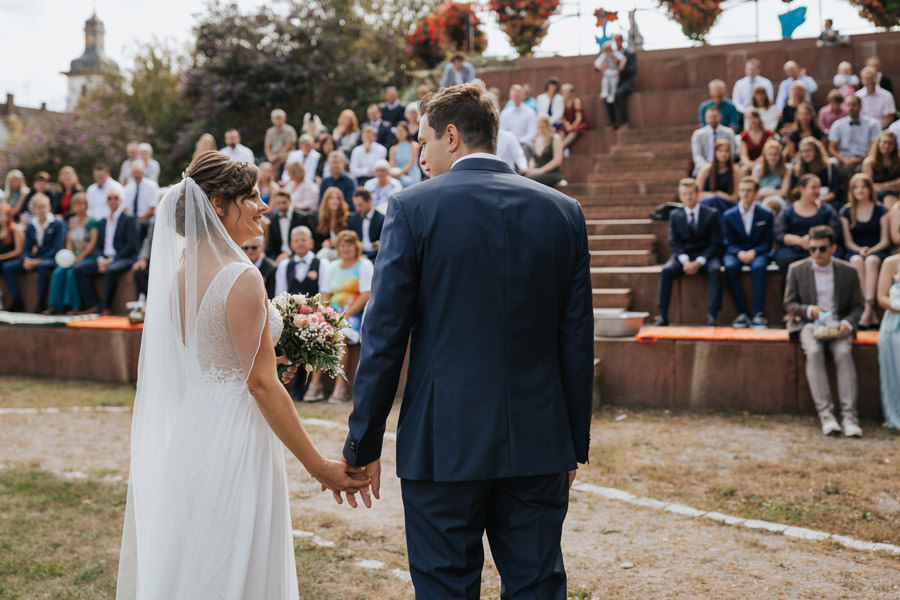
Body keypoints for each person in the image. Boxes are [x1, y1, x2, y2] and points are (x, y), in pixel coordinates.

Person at [341, 82, 592, 598]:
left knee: (446, 588)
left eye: (424, 140)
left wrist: (362, 443)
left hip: (443, 441)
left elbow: (384, 335)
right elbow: (576, 338)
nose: (421, 154)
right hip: (540, 438)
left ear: (451, 136)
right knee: (537, 585)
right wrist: (573, 444)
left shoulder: (411, 209)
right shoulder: (564, 212)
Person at [115, 151, 368, 599]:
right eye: (251, 196)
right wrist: (319, 467)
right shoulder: (241, 276)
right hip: (237, 433)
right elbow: (259, 384)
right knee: (237, 558)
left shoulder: (177, 276)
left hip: (196, 428)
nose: (264, 205)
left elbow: (213, 358)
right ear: (216, 204)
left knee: (198, 553)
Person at [784, 225, 863, 437]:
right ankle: (826, 416)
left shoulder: (848, 271)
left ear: (833, 248)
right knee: (815, 353)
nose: (817, 253)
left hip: (839, 327)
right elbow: (789, 303)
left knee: (844, 354)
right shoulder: (797, 269)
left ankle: (850, 416)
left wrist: (847, 323)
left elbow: (858, 305)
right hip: (809, 325)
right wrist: (811, 310)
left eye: (822, 249)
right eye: (812, 249)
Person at [654, 178, 723, 326]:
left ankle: (712, 314)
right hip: (683, 255)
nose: (688, 197)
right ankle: (662, 315)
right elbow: (674, 241)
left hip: (705, 255)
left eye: (691, 193)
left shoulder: (711, 214)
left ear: (697, 193)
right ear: (680, 196)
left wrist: (699, 261)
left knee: (716, 270)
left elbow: (715, 242)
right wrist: (685, 260)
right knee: (666, 271)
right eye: (685, 194)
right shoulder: (675, 215)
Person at [318, 229, 372, 404]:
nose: (346, 248)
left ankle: (340, 387)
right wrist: (328, 314)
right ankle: (315, 384)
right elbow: (325, 293)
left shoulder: (364, 265)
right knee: (318, 335)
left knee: (340, 338)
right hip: (332, 313)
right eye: (343, 245)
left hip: (353, 314)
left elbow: (365, 294)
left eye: (349, 245)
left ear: (355, 246)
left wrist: (345, 315)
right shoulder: (332, 266)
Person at [74, 187, 139, 316]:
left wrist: (111, 260)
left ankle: (106, 307)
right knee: (79, 269)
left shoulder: (129, 219)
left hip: (123, 258)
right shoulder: (103, 221)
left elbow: (131, 245)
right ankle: (95, 304)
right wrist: (100, 260)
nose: (112, 201)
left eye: (115, 198)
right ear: (106, 202)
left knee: (111, 269)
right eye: (109, 198)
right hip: (104, 258)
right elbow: (99, 246)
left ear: (121, 200)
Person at [723, 177, 774, 329]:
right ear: (738, 192)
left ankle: (758, 314)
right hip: (735, 252)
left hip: (758, 252)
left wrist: (754, 252)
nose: (745, 194)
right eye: (743, 190)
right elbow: (727, 241)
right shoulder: (728, 215)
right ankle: (742, 312)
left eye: (749, 190)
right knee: (730, 267)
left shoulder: (766, 214)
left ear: (756, 193)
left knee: (758, 268)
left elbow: (768, 241)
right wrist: (738, 252)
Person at [840, 174, 889, 329]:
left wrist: (870, 250)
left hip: (877, 249)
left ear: (869, 189)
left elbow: (885, 240)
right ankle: (866, 308)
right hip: (856, 250)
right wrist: (860, 250)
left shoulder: (881, 209)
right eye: (856, 187)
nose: (860, 190)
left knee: (871, 261)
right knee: (856, 261)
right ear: (852, 190)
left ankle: (868, 307)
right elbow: (848, 241)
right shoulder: (846, 211)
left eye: (863, 187)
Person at [2, 194, 65, 312]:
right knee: (7, 267)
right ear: (34, 209)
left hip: (50, 259)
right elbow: (26, 248)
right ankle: (17, 300)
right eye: (39, 207)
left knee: (43, 266)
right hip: (33, 259)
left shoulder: (58, 224)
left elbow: (57, 248)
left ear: (49, 207)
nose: (42, 210)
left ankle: (41, 302)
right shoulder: (31, 225)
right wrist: (26, 259)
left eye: (44, 206)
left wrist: (37, 261)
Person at [774, 174, 842, 279]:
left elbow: (835, 231)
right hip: (794, 248)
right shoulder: (788, 211)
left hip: (820, 246)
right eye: (814, 187)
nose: (817, 191)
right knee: (785, 260)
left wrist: (813, 241)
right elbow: (778, 234)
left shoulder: (827, 210)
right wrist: (799, 241)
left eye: (819, 187)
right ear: (802, 189)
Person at [45, 192, 98, 315]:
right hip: (73, 257)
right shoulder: (72, 222)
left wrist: (80, 257)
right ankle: (54, 305)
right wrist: (70, 256)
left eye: (81, 204)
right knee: (58, 272)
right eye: (76, 204)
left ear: (86, 205)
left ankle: (75, 306)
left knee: (71, 273)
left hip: (88, 257)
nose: (79, 207)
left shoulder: (92, 221)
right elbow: (69, 241)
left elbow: (92, 243)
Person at [829, 95, 881, 181]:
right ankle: (835, 192)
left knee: (870, 163)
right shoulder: (838, 125)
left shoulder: (872, 124)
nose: (851, 108)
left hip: (864, 159)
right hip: (844, 160)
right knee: (831, 162)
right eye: (848, 105)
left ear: (860, 106)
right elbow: (831, 148)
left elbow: (874, 146)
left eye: (854, 105)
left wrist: (860, 160)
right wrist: (844, 159)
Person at [876, 253, 900, 430]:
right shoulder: (891, 263)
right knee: (893, 375)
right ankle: (895, 418)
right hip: (894, 327)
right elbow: (882, 297)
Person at [791, 137, 843, 210]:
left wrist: (819, 200)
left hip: (826, 202)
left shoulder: (830, 167)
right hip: (804, 204)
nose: (805, 154)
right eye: (802, 151)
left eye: (808, 151)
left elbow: (836, 190)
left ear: (816, 151)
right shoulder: (797, 169)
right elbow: (793, 191)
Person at [273, 225, 321, 298]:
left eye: (303, 240)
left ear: (311, 243)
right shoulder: (284, 265)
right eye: (296, 241)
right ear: (291, 244)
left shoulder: (322, 264)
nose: (300, 243)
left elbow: (324, 293)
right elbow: (280, 293)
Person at [697, 138, 741, 215]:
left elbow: (736, 198)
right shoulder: (706, 169)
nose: (723, 154)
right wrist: (715, 195)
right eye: (720, 151)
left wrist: (720, 195)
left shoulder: (735, 171)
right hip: (708, 202)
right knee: (713, 201)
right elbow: (697, 194)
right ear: (715, 152)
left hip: (727, 204)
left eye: (726, 151)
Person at [602, 32, 637, 130]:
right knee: (606, 96)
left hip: (625, 82)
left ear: (622, 41)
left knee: (618, 93)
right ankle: (612, 122)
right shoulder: (610, 54)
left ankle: (624, 122)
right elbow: (599, 64)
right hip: (612, 81)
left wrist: (621, 66)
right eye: (615, 41)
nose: (617, 43)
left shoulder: (629, 54)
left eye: (619, 40)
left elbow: (633, 70)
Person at [690, 105, 737, 176]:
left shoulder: (728, 133)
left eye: (715, 117)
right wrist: (707, 167)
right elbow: (697, 156)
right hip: (703, 167)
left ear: (720, 117)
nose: (713, 120)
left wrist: (722, 166)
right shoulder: (698, 134)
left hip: (724, 167)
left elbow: (732, 152)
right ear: (705, 119)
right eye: (710, 117)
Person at [265, 189, 309, 264]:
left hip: (298, 254)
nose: (281, 206)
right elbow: (270, 246)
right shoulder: (273, 220)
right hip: (278, 256)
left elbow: (306, 241)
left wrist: (289, 254)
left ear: (290, 201)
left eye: (284, 202)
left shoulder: (302, 218)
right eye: (278, 203)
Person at [523, 114, 565, 189]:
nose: (540, 128)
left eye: (542, 126)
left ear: (547, 125)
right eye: (539, 126)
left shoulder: (555, 138)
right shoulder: (536, 139)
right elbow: (533, 159)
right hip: (538, 172)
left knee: (529, 180)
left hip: (552, 173)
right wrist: (530, 169)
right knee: (520, 175)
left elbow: (558, 160)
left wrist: (540, 171)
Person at [122, 160, 159, 243]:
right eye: (135, 172)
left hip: (146, 218)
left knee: (137, 226)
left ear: (143, 172)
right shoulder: (128, 188)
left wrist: (139, 219)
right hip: (131, 218)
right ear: (131, 174)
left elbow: (152, 208)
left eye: (139, 172)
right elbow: (125, 208)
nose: (137, 175)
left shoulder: (151, 186)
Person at [862, 130, 900, 207]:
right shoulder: (869, 162)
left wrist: (881, 186)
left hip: (896, 194)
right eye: (884, 142)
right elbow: (868, 185)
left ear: (895, 146)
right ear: (878, 143)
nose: (887, 146)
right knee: (888, 196)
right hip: (876, 195)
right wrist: (893, 185)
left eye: (890, 143)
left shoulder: (898, 161)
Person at [347, 188, 384, 261]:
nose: (357, 209)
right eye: (356, 206)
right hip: (357, 255)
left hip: (376, 257)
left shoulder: (382, 219)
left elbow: (385, 241)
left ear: (369, 201)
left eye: (360, 205)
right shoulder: (353, 218)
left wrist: (381, 244)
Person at [314, 186, 349, 259]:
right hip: (326, 252)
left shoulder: (348, 218)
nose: (335, 201)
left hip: (344, 252)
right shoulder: (318, 218)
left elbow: (352, 238)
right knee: (324, 252)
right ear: (326, 201)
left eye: (337, 198)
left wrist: (339, 242)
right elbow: (315, 242)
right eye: (331, 198)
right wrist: (323, 244)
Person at [264, 108, 297, 176]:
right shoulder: (269, 131)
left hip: (285, 155)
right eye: (276, 118)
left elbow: (289, 145)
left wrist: (276, 156)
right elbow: (267, 147)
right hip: (272, 156)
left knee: (281, 161)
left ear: (284, 119)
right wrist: (269, 156)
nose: (278, 120)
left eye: (280, 118)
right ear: (272, 119)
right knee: (261, 163)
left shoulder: (289, 130)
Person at [388, 122, 421, 188]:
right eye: (398, 131)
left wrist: (399, 173)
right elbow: (392, 164)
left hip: (412, 174)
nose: (399, 134)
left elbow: (411, 164)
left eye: (401, 131)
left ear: (407, 132)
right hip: (398, 176)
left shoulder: (414, 145)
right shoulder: (393, 148)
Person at [594, 41, 626, 109]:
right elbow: (596, 63)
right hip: (607, 73)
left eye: (608, 51)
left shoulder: (615, 53)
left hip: (615, 72)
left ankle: (612, 95)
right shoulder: (604, 55)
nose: (608, 53)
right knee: (605, 82)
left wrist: (621, 65)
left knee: (613, 84)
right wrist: (601, 67)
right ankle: (604, 92)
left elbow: (623, 58)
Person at [559, 82, 589, 149]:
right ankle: (558, 146)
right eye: (563, 92)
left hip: (578, 123)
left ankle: (561, 147)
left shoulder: (576, 101)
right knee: (562, 129)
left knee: (574, 130)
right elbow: (563, 117)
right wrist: (566, 124)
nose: (564, 94)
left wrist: (572, 126)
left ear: (570, 93)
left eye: (566, 92)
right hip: (568, 123)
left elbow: (579, 117)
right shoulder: (562, 102)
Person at [0, 204, 25, 283]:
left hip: (12, 259)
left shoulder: (15, 230)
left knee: (6, 266)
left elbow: (18, 251)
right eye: (1, 215)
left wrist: (2, 257)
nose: (3, 218)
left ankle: (15, 295)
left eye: (5, 215)